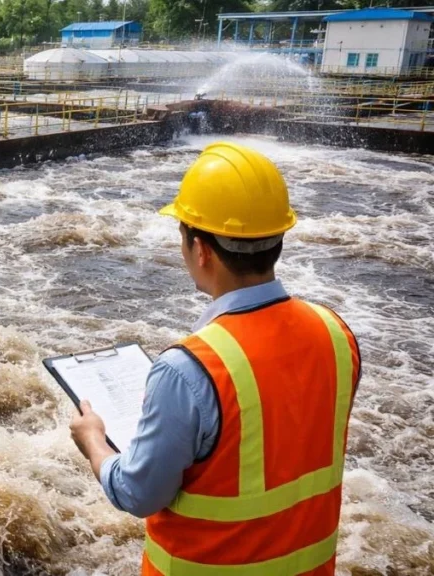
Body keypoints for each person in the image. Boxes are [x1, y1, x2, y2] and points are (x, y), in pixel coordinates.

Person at [69, 142, 361, 575]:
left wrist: (92, 440)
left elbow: (138, 492)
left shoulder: (186, 371)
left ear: (201, 249)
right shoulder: (337, 334)